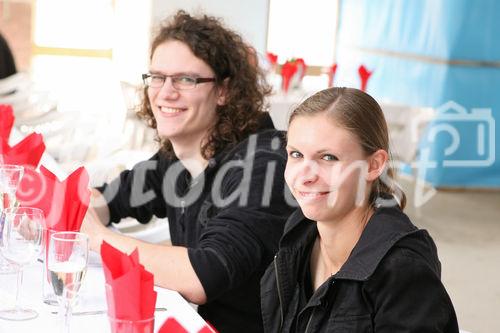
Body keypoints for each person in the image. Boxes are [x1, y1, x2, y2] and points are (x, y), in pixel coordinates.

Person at [81, 10, 294, 333]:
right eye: (157, 77)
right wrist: (76, 214)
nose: (165, 92)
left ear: (224, 91)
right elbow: (110, 199)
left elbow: (203, 275)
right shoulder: (180, 154)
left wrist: (98, 237)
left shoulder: (263, 165)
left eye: (186, 79)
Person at [260, 87, 459, 332]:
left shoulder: (401, 268)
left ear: (374, 165)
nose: (305, 176)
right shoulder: (299, 231)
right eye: (296, 154)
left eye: (328, 157)